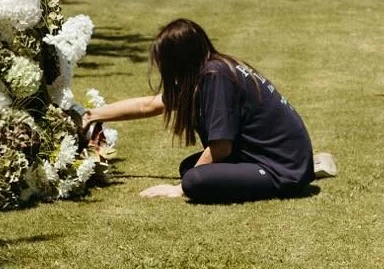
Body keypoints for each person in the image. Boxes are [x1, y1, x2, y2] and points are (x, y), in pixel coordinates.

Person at [81, 18, 335, 203]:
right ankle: (306, 166)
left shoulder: (215, 77)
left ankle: (303, 172)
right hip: (280, 158)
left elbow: (221, 147)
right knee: (190, 166)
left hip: (281, 168)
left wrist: (178, 189)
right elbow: (149, 105)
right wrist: (92, 115)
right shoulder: (212, 68)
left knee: (195, 181)